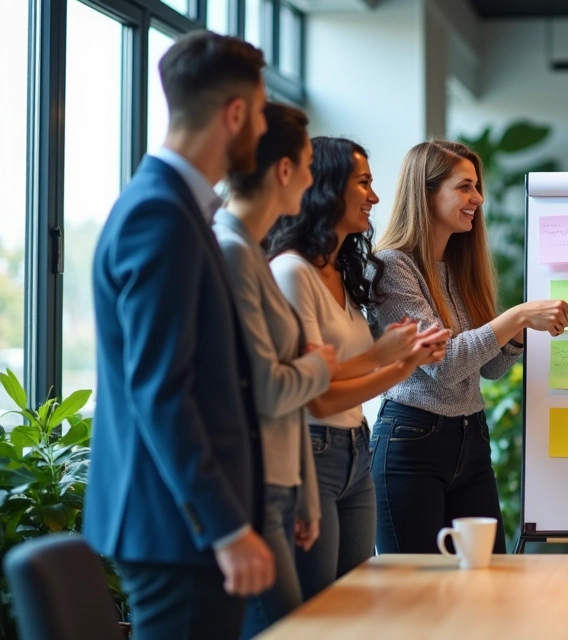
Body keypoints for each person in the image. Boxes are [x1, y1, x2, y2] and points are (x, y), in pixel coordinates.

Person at [85, 31, 274, 640]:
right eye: (261, 112)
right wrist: (226, 527)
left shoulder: (176, 207)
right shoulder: (159, 215)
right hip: (178, 530)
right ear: (235, 114)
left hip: (180, 525)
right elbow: (162, 391)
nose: (264, 128)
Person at [367, 140, 568, 554]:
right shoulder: (391, 266)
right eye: (465, 187)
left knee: (488, 579)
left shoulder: (458, 268)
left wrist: (520, 333)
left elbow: (488, 369)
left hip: (470, 438)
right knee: (417, 587)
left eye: (477, 187)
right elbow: (446, 364)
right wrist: (518, 316)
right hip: (411, 443)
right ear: (426, 193)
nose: (478, 199)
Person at [265, 137, 449, 598]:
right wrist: (396, 361)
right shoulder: (292, 272)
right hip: (314, 453)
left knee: (354, 604)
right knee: (318, 610)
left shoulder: (343, 272)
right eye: (364, 183)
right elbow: (319, 396)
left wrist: (401, 358)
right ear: (327, 187)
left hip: (355, 449)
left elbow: (340, 373)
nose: (375, 196)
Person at [214, 104, 343, 637]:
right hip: (255, 488)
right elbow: (269, 387)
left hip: (282, 484)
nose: (314, 181)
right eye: (309, 165)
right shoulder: (233, 252)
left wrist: (304, 494)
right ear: (284, 170)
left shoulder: (254, 251)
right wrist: (319, 364)